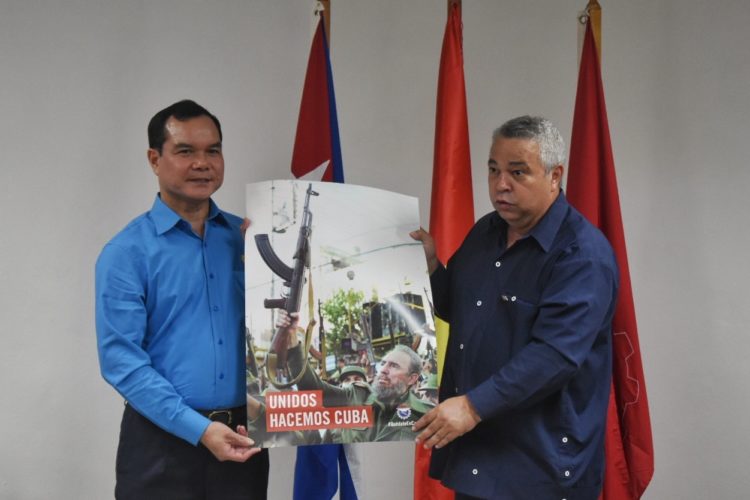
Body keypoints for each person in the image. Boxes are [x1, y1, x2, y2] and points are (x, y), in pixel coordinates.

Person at [411, 115, 619, 499]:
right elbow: (458, 308)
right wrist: (431, 267)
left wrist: (472, 407)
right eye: (494, 170)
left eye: (518, 172)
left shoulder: (582, 255)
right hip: (477, 460)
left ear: (555, 176)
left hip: (539, 470)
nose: (500, 184)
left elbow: (554, 356)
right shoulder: (485, 232)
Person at [95, 100, 268, 499]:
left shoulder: (252, 242)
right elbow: (121, 361)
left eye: (213, 151)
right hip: (161, 444)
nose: (202, 164)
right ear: (154, 160)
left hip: (244, 438)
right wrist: (199, 429)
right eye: (185, 151)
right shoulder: (126, 253)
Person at [276, 311, 434, 443]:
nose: (384, 370)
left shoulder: (429, 415)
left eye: (394, 366)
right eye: (384, 363)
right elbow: (312, 388)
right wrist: (291, 336)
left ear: (412, 378)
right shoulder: (356, 396)